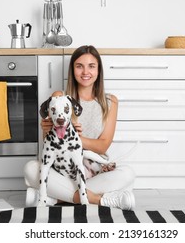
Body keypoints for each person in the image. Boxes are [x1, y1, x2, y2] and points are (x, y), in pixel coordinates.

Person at [24, 45, 136, 210]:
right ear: (72, 70)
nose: (85, 72)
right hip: (62, 171)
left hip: (94, 171)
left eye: (91, 66)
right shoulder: (59, 98)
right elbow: (49, 147)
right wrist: (47, 130)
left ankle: (56, 198)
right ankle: (101, 200)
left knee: (127, 173)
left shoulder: (110, 102)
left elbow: (103, 145)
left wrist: (75, 139)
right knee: (31, 168)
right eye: (79, 66)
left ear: (98, 71)